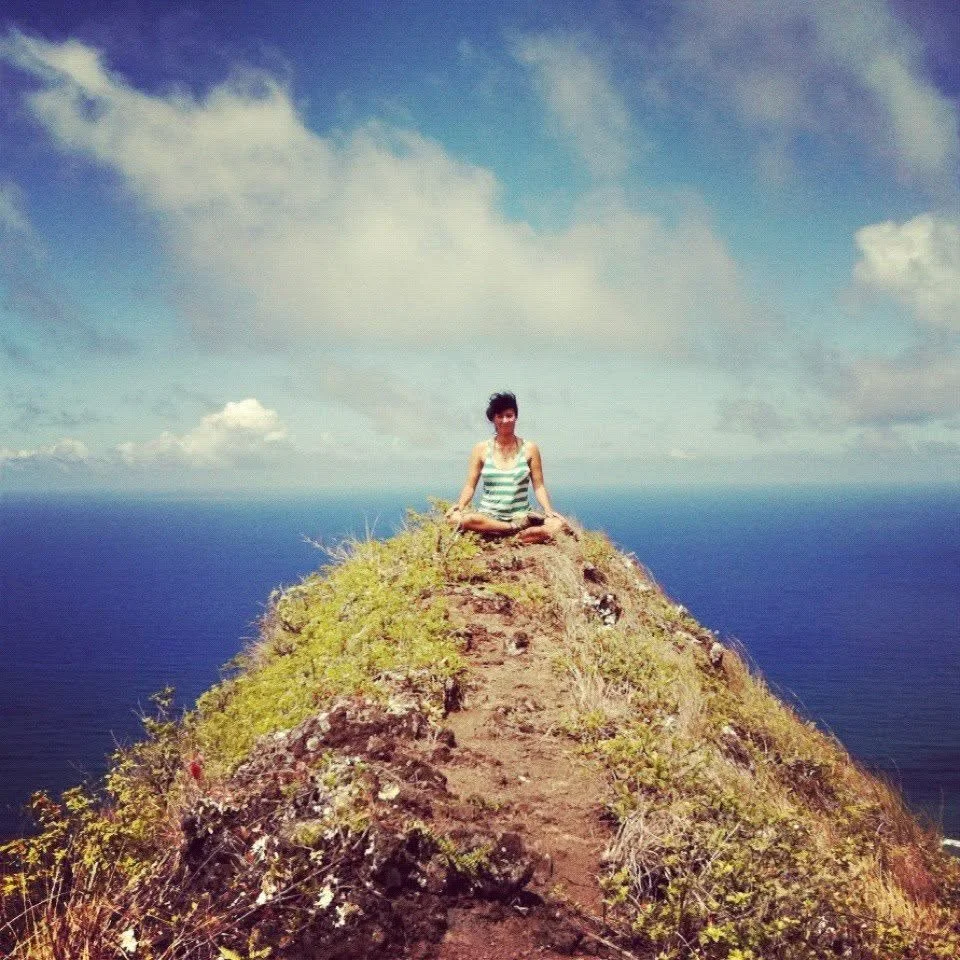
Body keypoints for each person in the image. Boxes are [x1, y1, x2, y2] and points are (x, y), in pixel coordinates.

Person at [445, 391, 575, 544]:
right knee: (455, 519)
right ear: (493, 419)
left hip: (520, 516)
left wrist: (548, 512)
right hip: (488, 516)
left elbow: (539, 486)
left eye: (509, 415)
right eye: (499, 416)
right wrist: (459, 507)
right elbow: (470, 485)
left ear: (516, 416)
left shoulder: (530, 448)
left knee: (556, 524)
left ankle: (515, 531)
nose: (505, 420)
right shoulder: (480, 449)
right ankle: (511, 529)